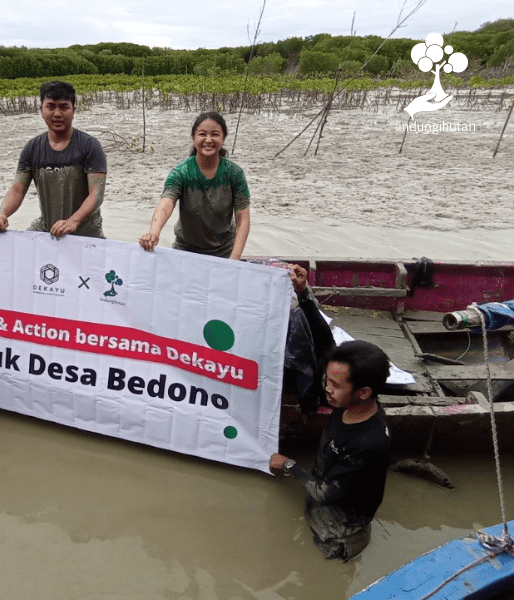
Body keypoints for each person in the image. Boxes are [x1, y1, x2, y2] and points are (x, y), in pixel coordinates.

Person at [270, 270, 392, 562]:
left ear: (363, 392)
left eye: (335, 385)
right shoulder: (351, 402)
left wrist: (287, 464)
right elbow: (325, 343)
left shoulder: (369, 443)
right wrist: (303, 293)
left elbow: (324, 494)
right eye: (327, 380)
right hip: (329, 484)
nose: (327, 389)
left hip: (339, 528)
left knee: (311, 558)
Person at [0, 80, 107, 238]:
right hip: (47, 226)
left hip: (86, 230)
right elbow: (17, 189)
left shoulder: (89, 146)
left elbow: (96, 194)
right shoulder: (32, 148)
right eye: (51, 106)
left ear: (73, 110)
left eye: (64, 107)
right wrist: (2, 215)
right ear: (41, 110)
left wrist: (73, 221)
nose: (57, 114)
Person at [139, 111, 250, 259]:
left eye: (215, 134)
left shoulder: (234, 173)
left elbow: (243, 218)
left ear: (223, 139)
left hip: (224, 251)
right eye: (202, 134)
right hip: (185, 250)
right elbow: (166, 203)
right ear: (193, 138)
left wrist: (234, 259)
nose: (208, 140)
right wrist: (154, 232)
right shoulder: (181, 172)